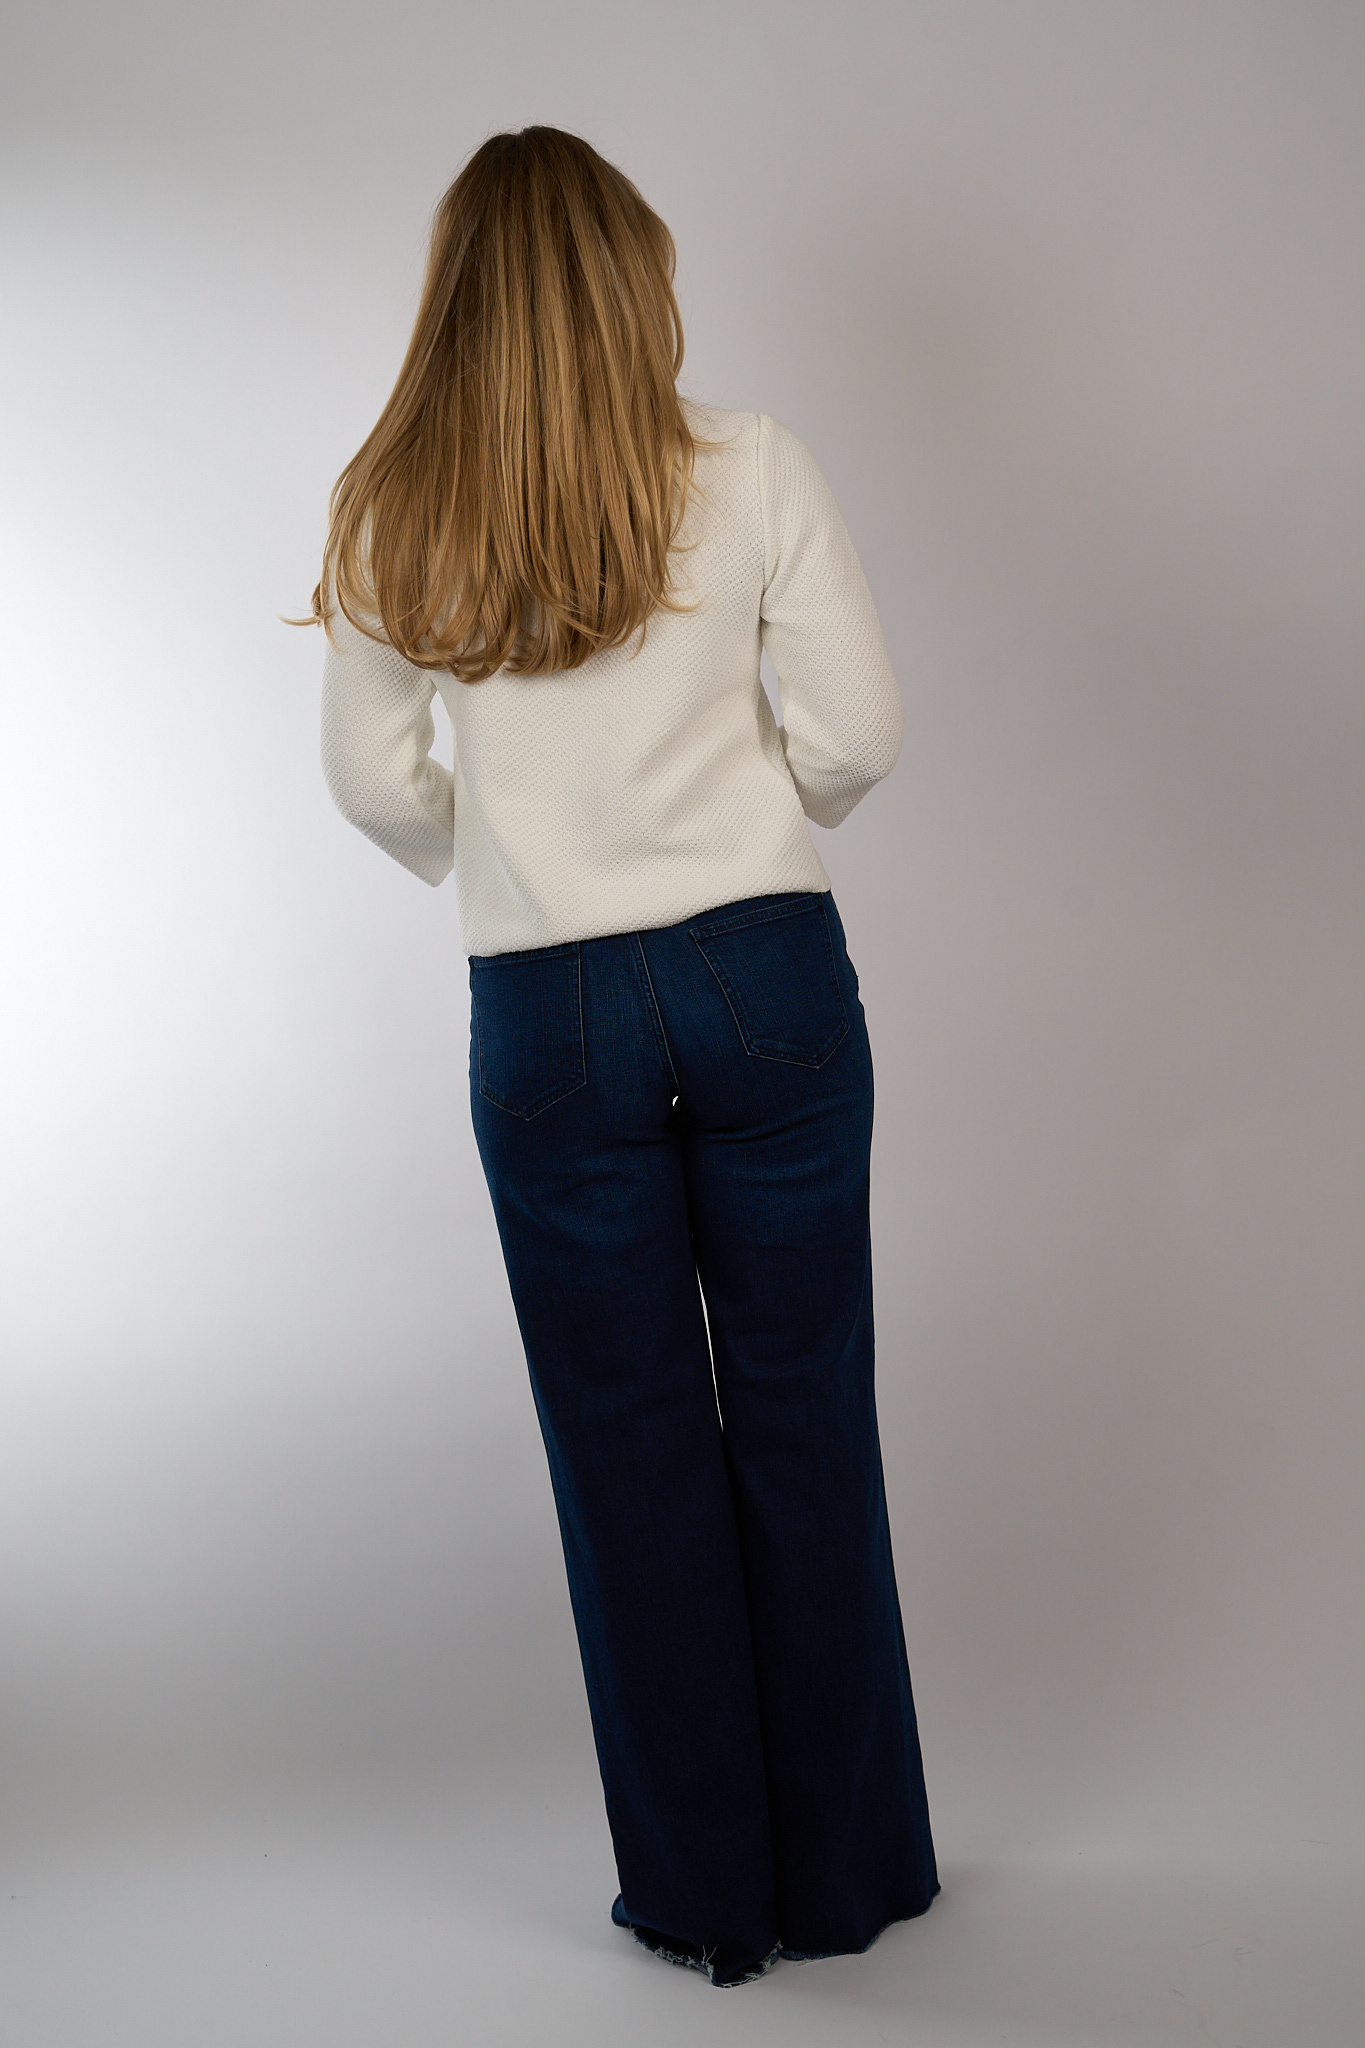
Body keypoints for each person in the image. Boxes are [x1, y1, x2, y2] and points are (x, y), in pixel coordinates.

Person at [298, 124, 938, 1988]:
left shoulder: (391, 502)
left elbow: (370, 781)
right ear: (632, 280)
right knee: (806, 1418)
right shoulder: (747, 464)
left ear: (459, 299)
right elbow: (857, 733)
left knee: (626, 1447)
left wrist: (504, 857)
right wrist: (746, 820)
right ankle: (846, 1884)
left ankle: (702, 1901)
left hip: (548, 1009)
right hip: (765, 977)